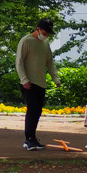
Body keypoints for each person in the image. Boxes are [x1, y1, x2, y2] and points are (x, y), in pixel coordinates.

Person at [15, 18, 60, 151]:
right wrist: (24, 80)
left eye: (47, 34)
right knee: (32, 110)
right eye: (44, 32)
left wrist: (55, 78)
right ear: (38, 29)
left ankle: (32, 138)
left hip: (41, 82)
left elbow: (50, 62)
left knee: (37, 111)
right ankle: (29, 139)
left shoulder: (45, 43)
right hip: (29, 82)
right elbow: (19, 62)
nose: (45, 36)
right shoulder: (26, 41)